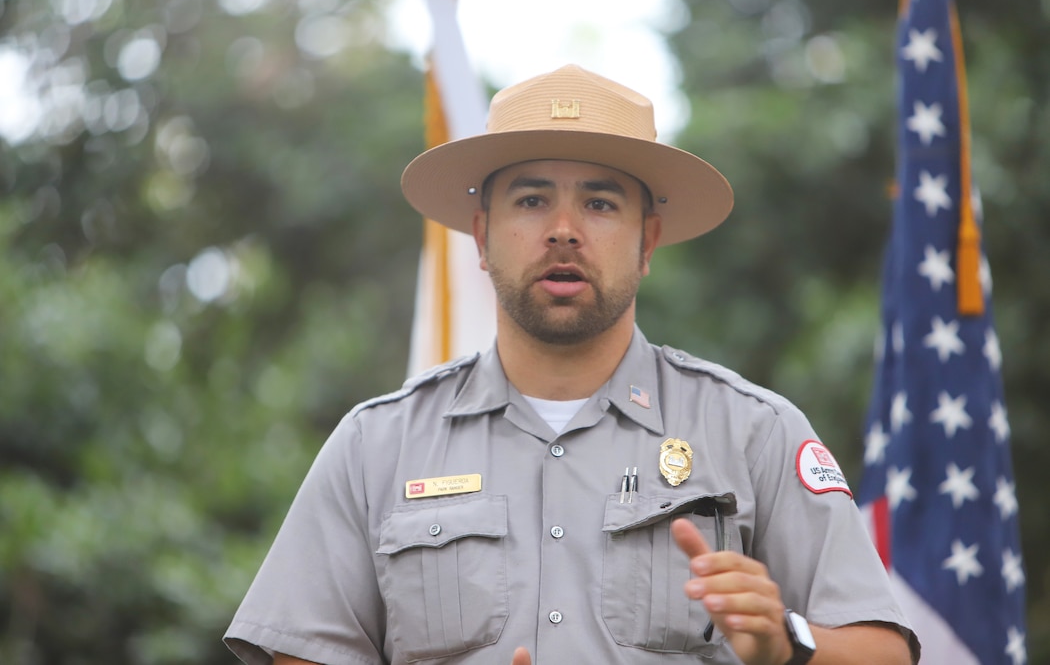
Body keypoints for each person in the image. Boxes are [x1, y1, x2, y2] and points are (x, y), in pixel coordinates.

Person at [224, 64, 920, 665]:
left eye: (599, 202)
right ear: (482, 235)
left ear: (647, 240)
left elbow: (887, 651)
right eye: (531, 200)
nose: (563, 229)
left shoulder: (751, 432)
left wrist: (786, 640)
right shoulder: (375, 447)